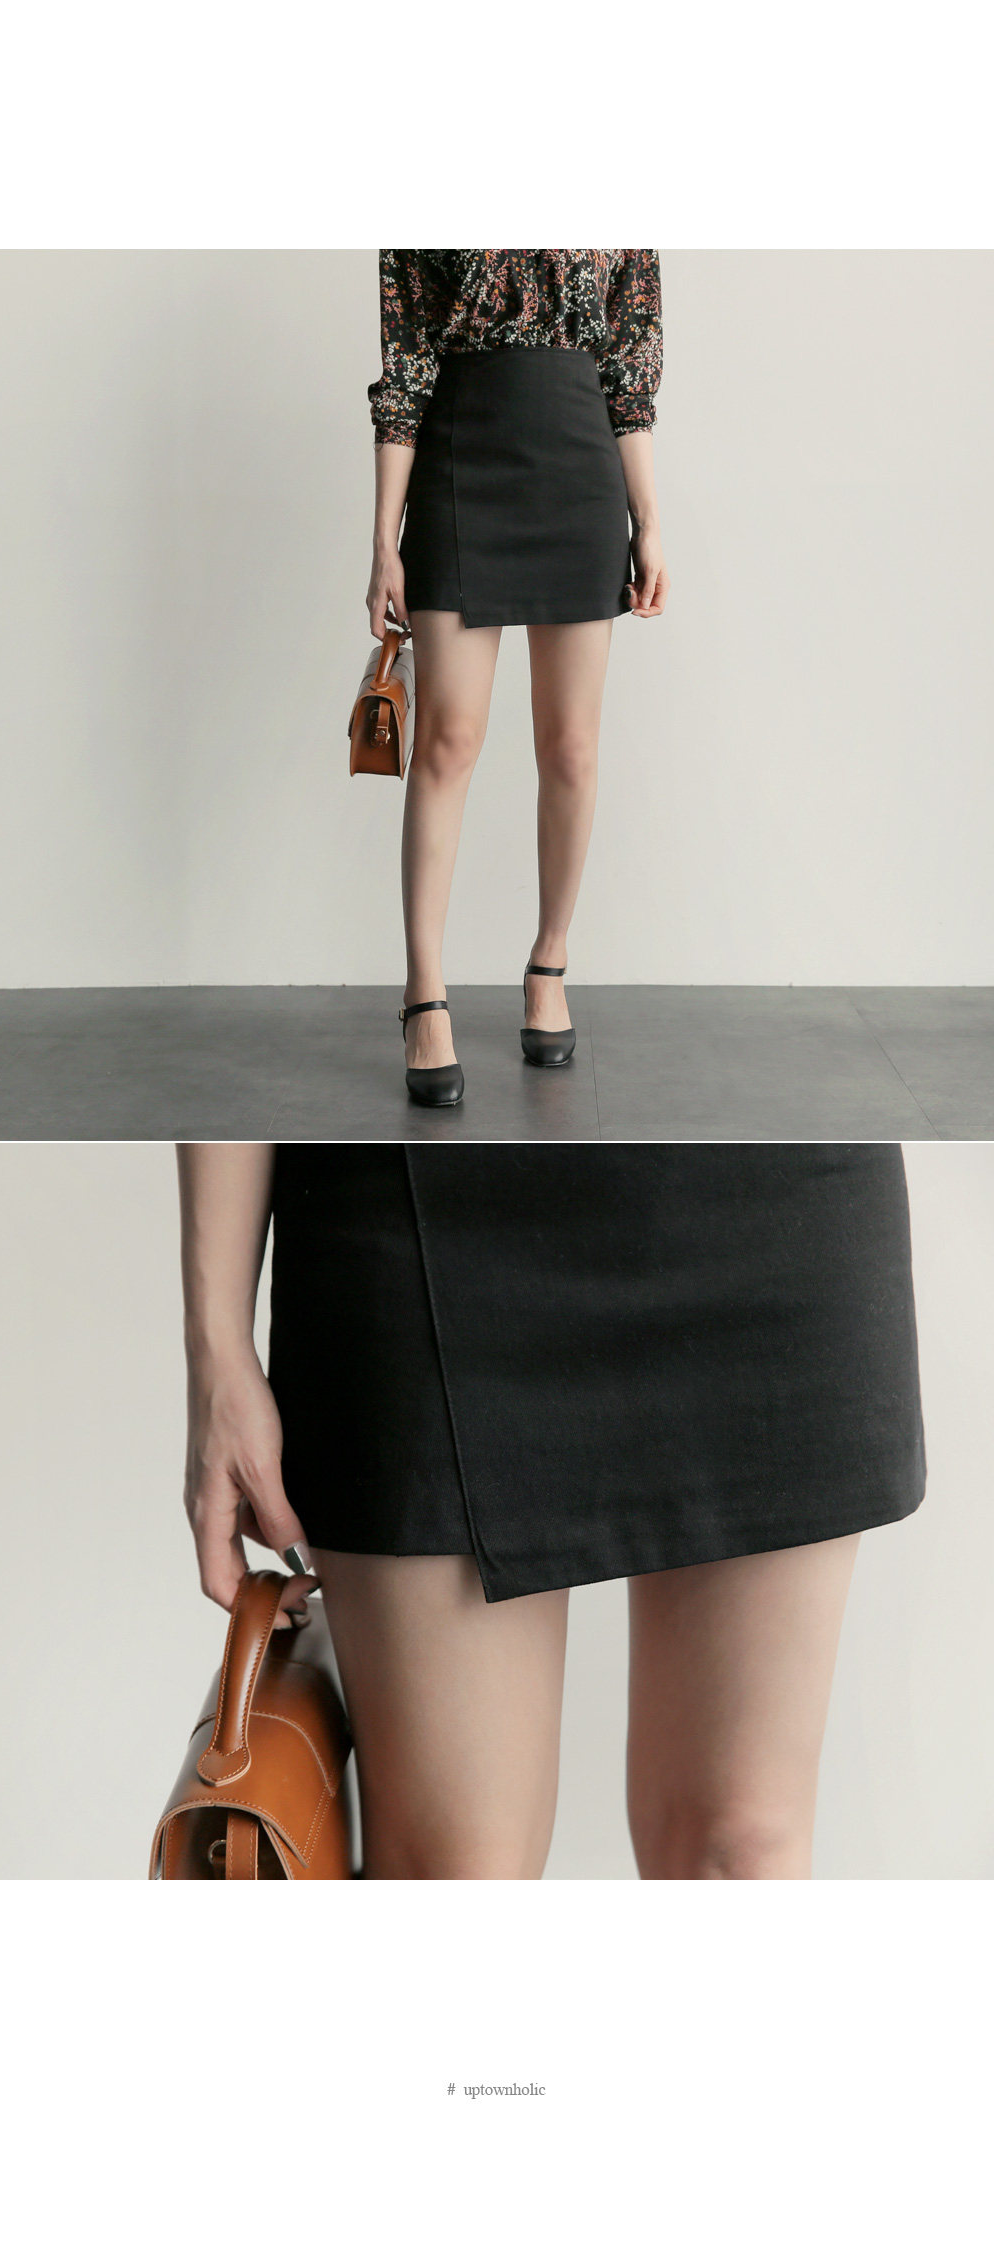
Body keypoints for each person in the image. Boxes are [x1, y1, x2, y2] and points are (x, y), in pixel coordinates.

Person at [176, 1140, 927, 1879]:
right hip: (413, 1179)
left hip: (775, 1176)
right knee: (455, 1874)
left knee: (741, 1849)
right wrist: (216, 1347)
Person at [366, 250, 668, 1104]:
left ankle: (550, 961)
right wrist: (384, 540)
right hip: (461, 459)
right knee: (447, 741)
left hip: (580, 469)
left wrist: (649, 521)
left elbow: (629, 371)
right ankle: (424, 994)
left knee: (570, 747)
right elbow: (406, 366)